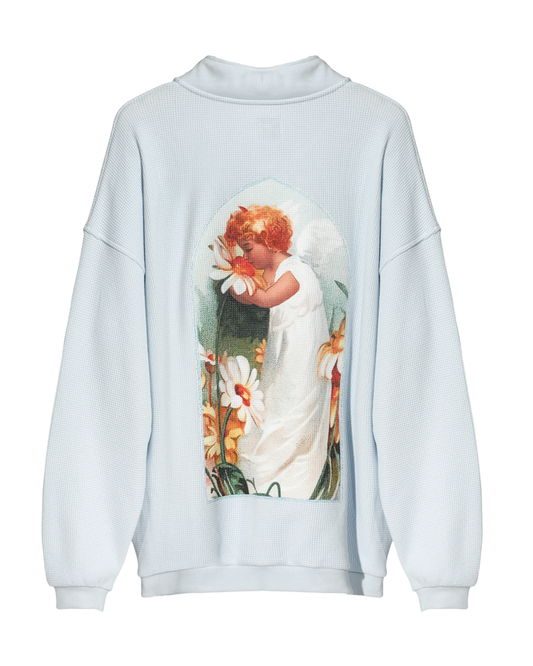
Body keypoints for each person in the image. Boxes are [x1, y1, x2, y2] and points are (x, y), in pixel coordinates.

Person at [225, 204, 331, 500]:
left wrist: (235, 283)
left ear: (270, 241)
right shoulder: (269, 269)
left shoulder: (296, 271)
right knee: (272, 404)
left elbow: (266, 299)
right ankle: (263, 479)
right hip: (283, 352)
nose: (246, 257)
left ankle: (289, 483)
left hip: (301, 359)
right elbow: (254, 295)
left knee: (292, 411)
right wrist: (239, 284)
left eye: (248, 249)